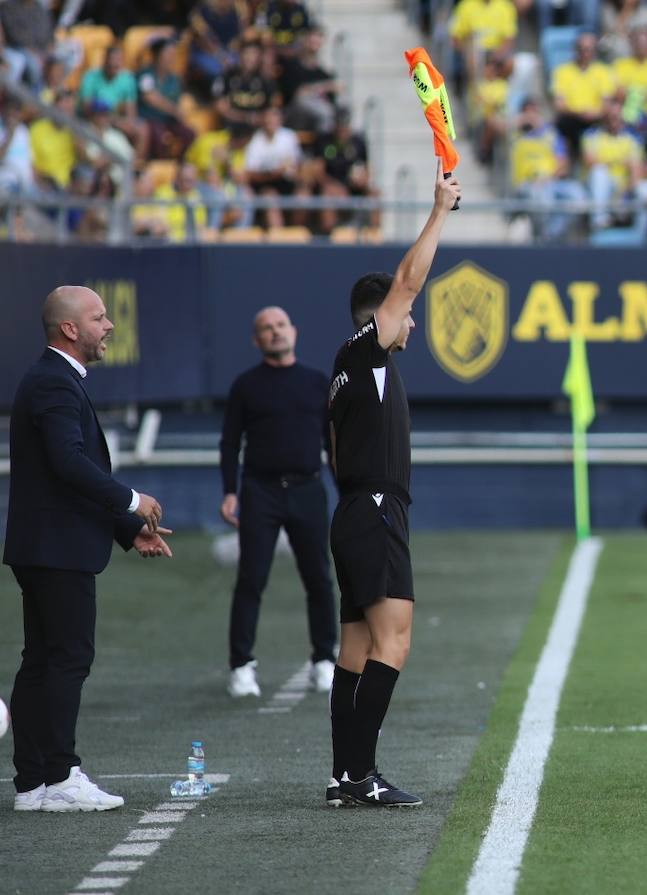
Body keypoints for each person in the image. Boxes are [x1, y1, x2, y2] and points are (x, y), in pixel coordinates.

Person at [324, 161, 461, 808]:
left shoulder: (344, 372)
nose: (412, 322)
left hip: (351, 511)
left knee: (354, 648)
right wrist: (438, 211)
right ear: (381, 316)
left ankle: (344, 771)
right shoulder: (364, 351)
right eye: (405, 314)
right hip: (375, 510)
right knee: (393, 640)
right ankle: (359, 774)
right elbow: (408, 280)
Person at [3, 286, 172, 812]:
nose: (110, 326)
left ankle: (32, 783)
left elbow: (69, 478)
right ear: (70, 329)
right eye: (99, 318)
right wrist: (132, 499)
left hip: (45, 544)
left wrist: (127, 529)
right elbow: (69, 464)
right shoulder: (54, 381)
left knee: (43, 660)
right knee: (67, 659)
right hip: (57, 549)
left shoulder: (53, 378)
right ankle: (59, 776)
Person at [220, 306, 338, 699]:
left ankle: (324, 660)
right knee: (251, 579)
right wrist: (230, 491)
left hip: (308, 489)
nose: (275, 332)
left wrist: (348, 491)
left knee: (319, 578)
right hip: (261, 491)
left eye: (281, 325)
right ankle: (241, 667)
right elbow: (230, 442)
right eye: (266, 329)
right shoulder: (246, 386)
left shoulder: (318, 383)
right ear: (256, 340)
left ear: (294, 331)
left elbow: (332, 443)